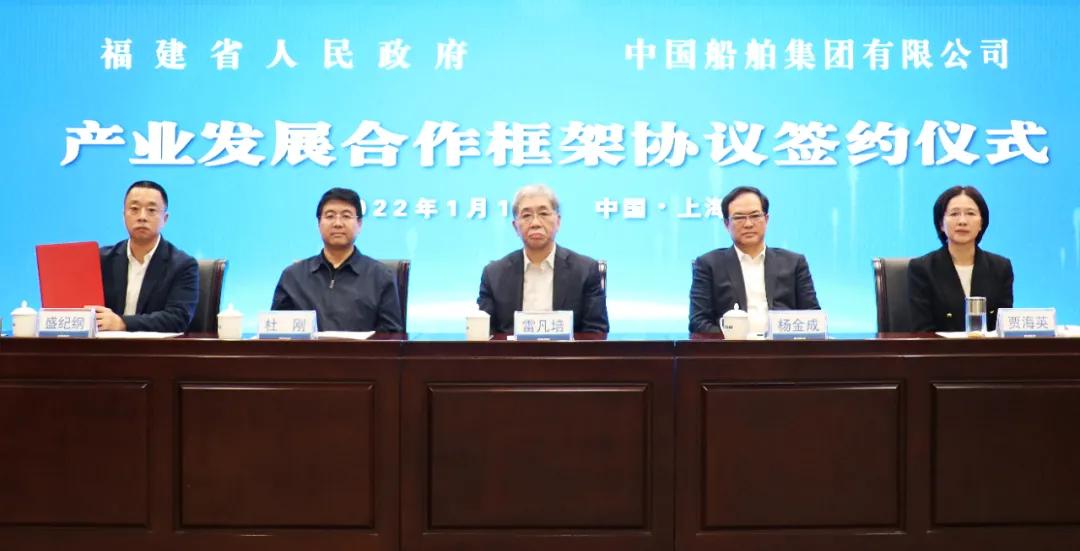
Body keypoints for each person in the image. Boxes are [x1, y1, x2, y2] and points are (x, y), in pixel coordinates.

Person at [477, 184, 608, 334]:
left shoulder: (585, 271)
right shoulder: (493, 275)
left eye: (543, 214)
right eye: (526, 216)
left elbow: (596, 332)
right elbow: (484, 333)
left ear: (558, 222)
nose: (535, 223)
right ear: (515, 227)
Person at [689, 186, 820, 334]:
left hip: (782, 346)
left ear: (766, 219)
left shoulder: (794, 263)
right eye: (739, 217)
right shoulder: (708, 265)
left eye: (755, 216)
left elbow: (813, 318)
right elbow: (698, 322)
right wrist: (737, 339)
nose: (748, 224)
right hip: (732, 347)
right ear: (726, 224)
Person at [272, 187, 404, 332]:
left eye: (346, 216)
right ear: (319, 223)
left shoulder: (381, 276)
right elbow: (276, 333)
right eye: (330, 216)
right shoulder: (293, 277)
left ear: (359, 224)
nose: (338, 223)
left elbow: (392, 336)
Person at [96, 180, 199, 332]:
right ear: (124, 215)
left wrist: (123, 323)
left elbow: (178, 318)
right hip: (104, 345)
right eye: (134, 209)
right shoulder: (101, 260)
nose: (142, 217)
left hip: (154, 347)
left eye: (151, 210)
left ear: (165, 219)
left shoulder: (183, 265)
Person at [908, 185, 1013, 332]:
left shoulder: (1000, 268)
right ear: (941, 224)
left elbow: (1004, 328)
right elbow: (922, 331)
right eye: (954, 214)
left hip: (987, 347)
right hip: (938, 347)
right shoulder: (922, 269)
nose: (962, 221)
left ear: (981, 223)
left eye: (970, 213)